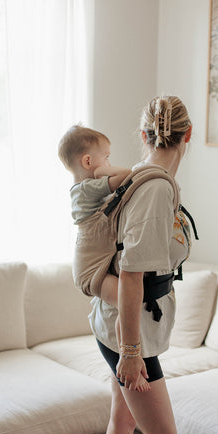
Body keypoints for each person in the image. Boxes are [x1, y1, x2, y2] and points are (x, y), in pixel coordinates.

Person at [89, 95, 193, 434]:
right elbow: (133, 274)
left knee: (123, 421)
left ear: (143, 134)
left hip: (115, 323)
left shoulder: (139, 176)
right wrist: (131, 353)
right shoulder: (155, 189)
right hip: (130, 335)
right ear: (188, 135)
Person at [58, 124, 150, 393]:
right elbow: (127, 176)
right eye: (106, 156)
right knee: (128, 302)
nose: (109, 161)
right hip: (89, 271)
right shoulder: (86, 189)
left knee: (129, 302)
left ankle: (129, 356)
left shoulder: (89, 189)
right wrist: (105, 170)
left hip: (92, 264)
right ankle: (129, 358)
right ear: (88, 161)